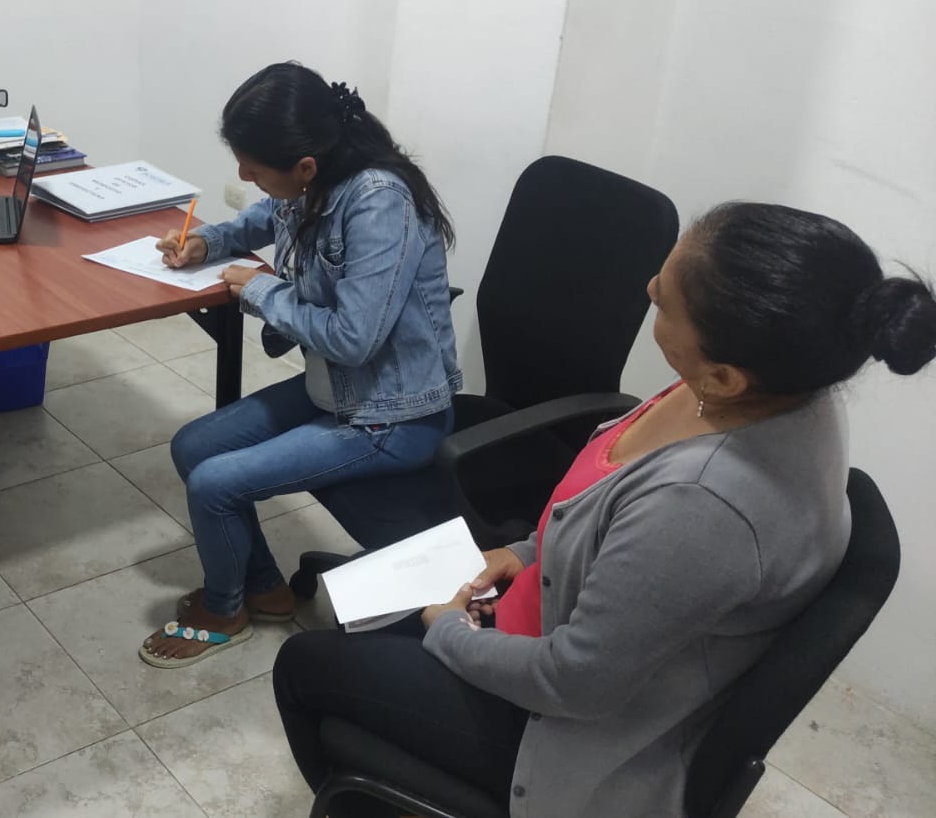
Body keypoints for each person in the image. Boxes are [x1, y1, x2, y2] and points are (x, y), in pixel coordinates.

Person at [272, 202, 936, 816]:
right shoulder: (783, 388)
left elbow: (574, 684)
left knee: (305, 665)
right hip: (558, 617)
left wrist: (448, 631)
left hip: (566, 735)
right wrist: (526, 552)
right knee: (371, 616)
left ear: (724, 375)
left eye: (664, 298)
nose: (647, 287)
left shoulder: (703, 505)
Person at [140, 62, 461, 668]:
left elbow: (353, 339)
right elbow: (266, 216)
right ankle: (263, 589)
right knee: (193, 446)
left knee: (214, 484)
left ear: (305, 165)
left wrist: (259, 291)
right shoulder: (317, 180)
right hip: (336, 389)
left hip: (392, 415)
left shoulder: (379, 204)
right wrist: (208, 241)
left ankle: (223, 611)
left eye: (255, 168)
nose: (245, 176)